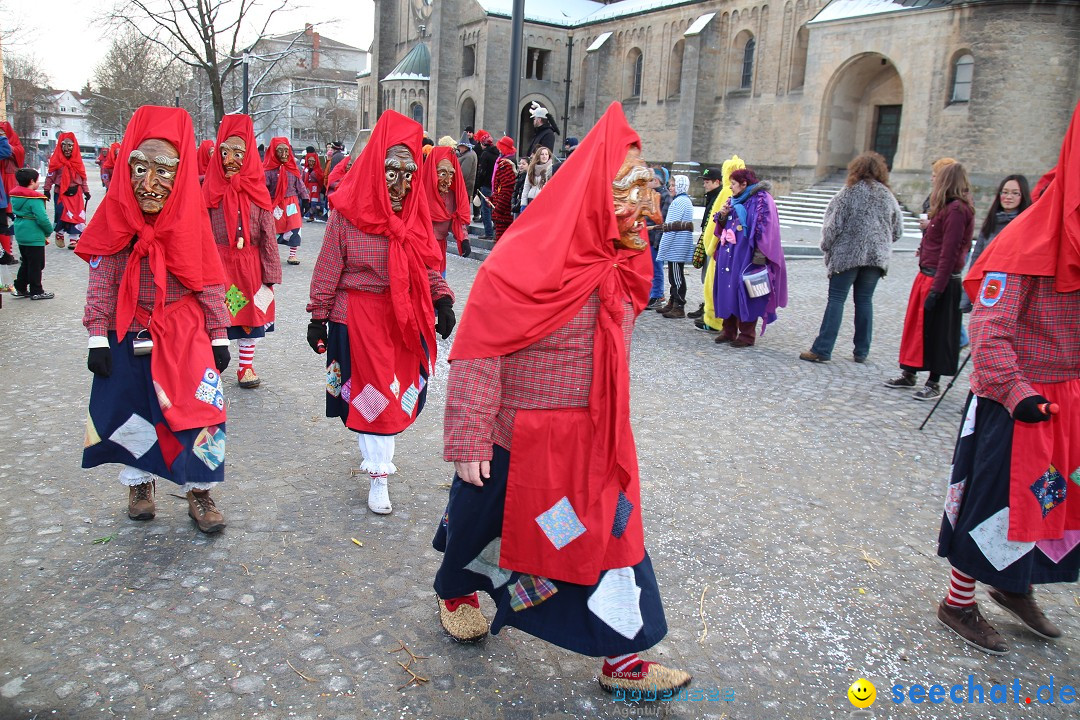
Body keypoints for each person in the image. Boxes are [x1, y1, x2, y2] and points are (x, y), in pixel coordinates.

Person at [433, 102, 692, 694]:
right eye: (633, 191)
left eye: (649, 188)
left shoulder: (626, 260)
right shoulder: (523, 260)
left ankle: (623, 660)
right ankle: (455, 589)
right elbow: (478, 346)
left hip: (595, 438)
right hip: (516, 438)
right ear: (599, 193)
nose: (649, 207)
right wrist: (471, 434)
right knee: (479, 525)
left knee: (614, 535)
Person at [935, 100, 1080, 656]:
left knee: (1050, 501)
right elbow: (991, 331)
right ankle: (958, 602)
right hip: (1017, 401)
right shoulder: (1023, 244)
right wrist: (1018, 394)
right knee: (994, 504)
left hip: (1067, 399)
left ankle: (1013, 584)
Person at [77, 105, 232, 533]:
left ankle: (199, 490)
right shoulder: (114, 215)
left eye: (163, 171)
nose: (149, 184)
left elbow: (209, 279)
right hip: (127, 329)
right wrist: (97, 336)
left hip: (183, 330)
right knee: (132, 409)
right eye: (140, 168)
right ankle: (140, 486)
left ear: (180, 174)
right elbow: (102, 281)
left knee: (202, 412)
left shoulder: (190, 219)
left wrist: (218, 334)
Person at [306, 109, 456, 516]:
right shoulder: (347, 215)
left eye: (409, 174)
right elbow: (327, 266)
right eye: (392, 172)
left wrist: (441, 298)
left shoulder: (413, 214)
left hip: (404, 316)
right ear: (375, 168)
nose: (401, 184)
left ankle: (375, 460)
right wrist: (317, 315)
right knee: (376, 399)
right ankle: (379, 477)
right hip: (358, 316)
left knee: (394, 393)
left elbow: (426, 263)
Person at [799, 152, 903, 364]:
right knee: (864, 301)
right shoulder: (888, 196)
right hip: (875, 258)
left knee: (836, 300)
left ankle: (822, 349)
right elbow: (898, 230)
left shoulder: (848, 193)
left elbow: (831, 227)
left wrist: (826, 248)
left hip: (847, 256)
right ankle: (861, 351)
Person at [203, 114, 281, 390]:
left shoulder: (257, 189)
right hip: (218, 264)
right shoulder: (209, 188)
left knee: (249, 317)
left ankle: (246, 365)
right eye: (225, 152)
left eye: (239, 153)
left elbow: (269, 235)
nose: (231, 159)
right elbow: (199, 231)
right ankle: (212, 365)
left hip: (250, 266)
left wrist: (270, 274)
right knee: (217, 314)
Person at [884, 163, 974, 399]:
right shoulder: (944, 208)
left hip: (940, 279)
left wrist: (938, 288)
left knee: (936, 332)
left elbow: (950, 251)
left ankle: (933, 382)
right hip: (927, 275)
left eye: (938, 177)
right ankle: (909, 372)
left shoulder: (956, 210)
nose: (934, 181)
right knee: (916, 329)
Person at [709, 167, 787, 347]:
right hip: (729, 254)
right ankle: (728, 330)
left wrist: (760, 255)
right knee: (726, 291)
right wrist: (722, 215)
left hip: (747, 255)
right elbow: (722, 225)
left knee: (745, 292)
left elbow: (768, 229)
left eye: (734, 184)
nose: (731, 188)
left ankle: (746, 335)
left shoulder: (762, 200)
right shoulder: (733, 199)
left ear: (744, 184)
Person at [959, 175, 1033, 315]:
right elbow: (977, 258)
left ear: (1023, 196)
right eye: (1005, 192)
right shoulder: (991, 222)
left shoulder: (1027, 225)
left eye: (1015, 193)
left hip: (1013, 293)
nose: (1008, 197)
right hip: (988, 290)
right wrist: (967, 293)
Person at [701, 156, 745, 331]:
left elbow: (715, 223)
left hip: (722, 248)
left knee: (715, 285)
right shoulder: (741, 192)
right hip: (732, 248)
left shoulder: (727, 192)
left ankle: (714, 320)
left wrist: (710, 245)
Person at [421, 145, 471, 273]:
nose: (447, 180)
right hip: (422, 247)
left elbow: (457, 218)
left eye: (450, 174)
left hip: (440, 247)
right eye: (442, 173)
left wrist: (463, 239)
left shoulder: (451, 195)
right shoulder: (422, 193)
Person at [654, 175, 696, 318]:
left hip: (677, 245)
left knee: (676, 276)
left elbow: (670, 227)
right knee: (674, 275)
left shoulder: (679, 202)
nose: (670, 188)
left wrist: (663, 248)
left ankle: (679, 305)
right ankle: (673, 301)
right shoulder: (682, 201)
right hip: (677, 244)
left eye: (673, 185)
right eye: (670, 185)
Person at [9, 168, 55, 300]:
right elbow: (42, 218)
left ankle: (21, 286)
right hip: (33, 233)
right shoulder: (33, 198)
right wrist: (48, 230)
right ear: (32, 181)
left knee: (27, 261)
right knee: (37, 263)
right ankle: (36, 290)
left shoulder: (16, 196)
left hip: (21, 231)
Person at [263, 137, 308, 265]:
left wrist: (305, 198)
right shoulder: (267, 170)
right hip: (274, 203)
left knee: (295, 227)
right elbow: (263, 188)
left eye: (286, 151)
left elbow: (299, 184)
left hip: (291, 202)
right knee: (273, 229)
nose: (284, 155)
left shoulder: (292, 168)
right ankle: (271, 254)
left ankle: (292, 255)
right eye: (280, 151)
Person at [43, 133, 91, 250]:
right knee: (61, 214)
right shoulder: (56, 161)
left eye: (70, 146)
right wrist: (46, 189)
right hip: (61, 193)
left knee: (76, 216)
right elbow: (50, 176)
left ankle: (73, 239)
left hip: (76, 193)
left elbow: (83, 177)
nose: (67, 149)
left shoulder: (78, 162)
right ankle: (60, 233)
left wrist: (86, 191)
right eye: (64, 145)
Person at [687, 167, 723, 322]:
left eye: (707, 182)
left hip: (713, 241)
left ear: (717, 182)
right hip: (706, 238)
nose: (704, 185)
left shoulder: (719, 197)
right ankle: (706, 306)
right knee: (706, 275)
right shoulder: (712, 196)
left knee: (711, 276)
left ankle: (710, 310)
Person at [643, 167, 670, 309]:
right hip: (647, 237)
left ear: (656, 180)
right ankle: (649, 294)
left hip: (655, 239)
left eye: (648, 179)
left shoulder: (665, 196)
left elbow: (662, 221)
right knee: (648, 269)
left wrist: (657, 242)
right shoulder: (649, 194)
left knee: (656, 268)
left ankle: (658, 295)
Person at [0, 121, 25, 266]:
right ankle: (7, 252)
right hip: (2, 187)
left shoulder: (14, 145)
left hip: (10, 185)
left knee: (14, 221)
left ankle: (12, 252)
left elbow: (12, 151)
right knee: (4, 224)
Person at [490, 136, 517, 242]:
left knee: (501, 240)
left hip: (503, 212)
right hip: (501, 208)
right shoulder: (504, 162)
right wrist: (492, 199)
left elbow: (506, 189)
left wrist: (498, 207)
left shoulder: (506, 165)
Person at [474, 130, 497, 239]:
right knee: (493, 208)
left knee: (486, 209)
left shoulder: (485, 154)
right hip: (495, 185)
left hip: (486, 185)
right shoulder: (497, 154)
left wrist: (478, 184)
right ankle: (494, 229)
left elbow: (481, 172)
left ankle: (488, 232)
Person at [520, 146, 554, 212]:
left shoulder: (551, 169)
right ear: (538, 156)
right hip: (531, 199)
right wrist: (523, 204)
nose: (544, 156)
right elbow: (526, 187)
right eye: (542, 154)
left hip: (544, 201)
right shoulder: (532, 168)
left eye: (546, 154)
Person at [301, 147, 326, 222]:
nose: (311, 163)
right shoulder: (305, 169)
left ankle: (314, 214)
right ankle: (310, 214)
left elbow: (320, 178)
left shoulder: (317, 170)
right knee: (308, 201)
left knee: (315, 202)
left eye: (312, 161)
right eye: (309, 161)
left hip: (315, 188)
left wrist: (313, 173)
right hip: (308, 187)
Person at [455, 139, 477, 222]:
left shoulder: (468, 156)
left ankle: (462, 227)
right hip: (466, 186)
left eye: (460, 147)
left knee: (463, 208)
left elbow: (464, 173)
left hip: (465, 186)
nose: (459, 148)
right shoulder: (468, 154)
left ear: (465, 147)